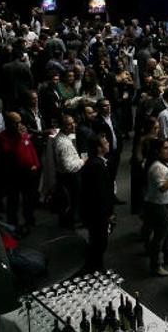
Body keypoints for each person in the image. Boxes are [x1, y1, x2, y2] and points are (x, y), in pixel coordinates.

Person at [143, 139, 168, 276]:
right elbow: (163, 188)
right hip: (159, 204)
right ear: (157, 151)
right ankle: (155, 265)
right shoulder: (156, 167)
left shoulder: (163, 163)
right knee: (159, 237)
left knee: (166, 233)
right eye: (165, 148)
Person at [0, 111, 41, 231]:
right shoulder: (2, 137)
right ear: (8, 124)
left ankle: (29, 220)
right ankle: (13, 224)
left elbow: (30, 147)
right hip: (13, 174)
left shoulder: (22, 133)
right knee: (13, 200)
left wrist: (35, 163)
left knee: (29, 198)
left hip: (28, 173)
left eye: (20, 122)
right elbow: (11, 153)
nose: (19, 125)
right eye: (16, 123)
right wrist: (19, 138)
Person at [80, 134, 114, 273]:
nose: (108, 144)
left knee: (97, 239)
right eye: (105, 142)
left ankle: (95, 266)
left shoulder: (95, 162)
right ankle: (96, 269)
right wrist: (108, 214)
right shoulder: (97, 166)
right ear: (99, 148)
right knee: (99, 241)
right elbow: (100, 194)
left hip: (94, 211)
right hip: (97, 213)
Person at [53, 114, 86, 227]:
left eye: (73, 123)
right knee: (72, 203)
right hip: (70, 177)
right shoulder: (63, 143)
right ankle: (69, 226)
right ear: (62, 126)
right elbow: (68, 167)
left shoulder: (63, 138)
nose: (72, 126)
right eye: (68, 124)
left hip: (66, 177)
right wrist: (82, 161)